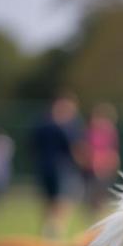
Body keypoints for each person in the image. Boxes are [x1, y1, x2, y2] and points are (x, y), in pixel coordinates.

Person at [31, 93, 85, 238]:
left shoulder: (41, 124)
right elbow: (75, 148)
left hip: (44, 167)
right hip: (62, 169)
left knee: (49, 201)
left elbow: (32, 147)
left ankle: (48, 231)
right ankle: (54, 231)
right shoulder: (67, 127)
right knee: (64, 200)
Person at [84, 103, 120, 213]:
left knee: (103, 195)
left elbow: (113, 151)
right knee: (93, 195)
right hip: (92, 168)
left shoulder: (110, 132)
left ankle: (99, 214)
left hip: (105, 167)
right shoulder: (89, 132)